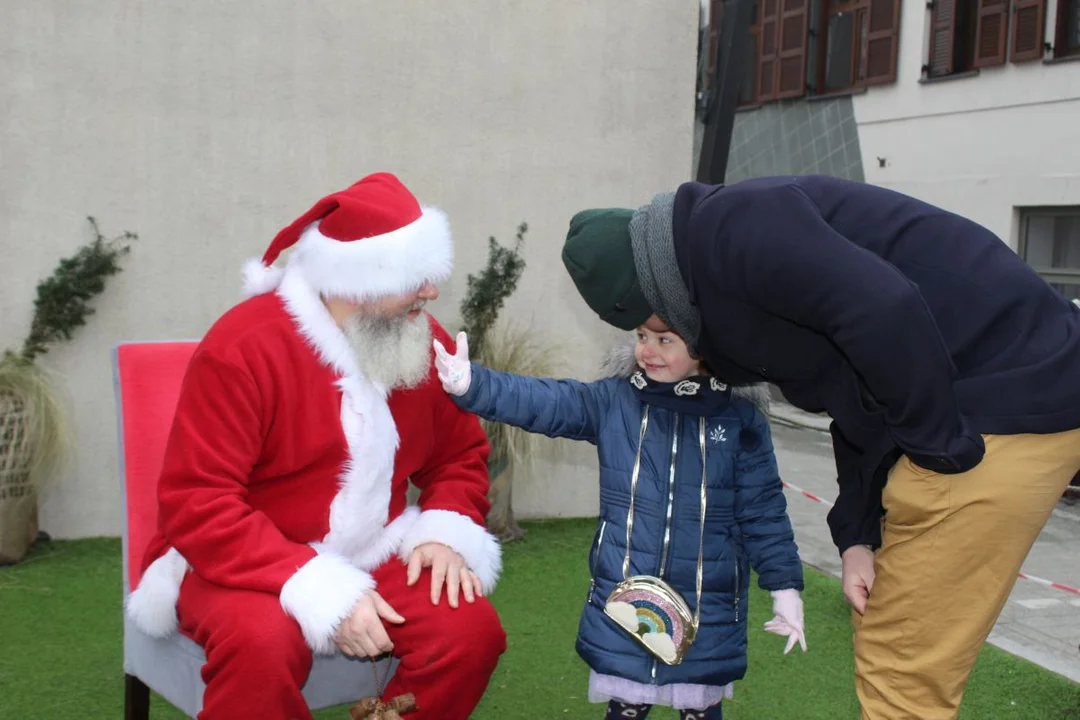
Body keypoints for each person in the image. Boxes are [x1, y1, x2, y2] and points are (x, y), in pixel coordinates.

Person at [557, 175, 1080, 719]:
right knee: (887, 634)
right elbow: (858, 388)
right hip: (993, 394)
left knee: (902, 670)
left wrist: (936, 448)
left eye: (653, 326)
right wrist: (858, 535)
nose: (652, 345)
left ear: (661, 287)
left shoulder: (735, 231)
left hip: (1000, 404)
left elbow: (885, 309)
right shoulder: (727, 248)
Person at [124, 173, 506, 720]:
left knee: (468, 632)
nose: (432, 292)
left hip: (376, 546)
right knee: (262, 641)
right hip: (241, 561)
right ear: (358, 280)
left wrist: (445, 530)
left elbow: (460, 455)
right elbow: (197, 504)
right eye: (415, 277)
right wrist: (318, 586)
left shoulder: (423, 339)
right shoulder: (242, 348)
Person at [431, 317, 807, 720]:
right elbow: (547, 401)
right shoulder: (616, 402)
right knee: (626, 704)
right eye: (643, 337)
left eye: (665, 340)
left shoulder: (739, 421)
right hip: (627, 596)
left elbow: (763, 511)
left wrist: (785, 589)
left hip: (706, 605)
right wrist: (473, 383)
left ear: (704, 348)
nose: (647, 349)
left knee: (700, 706)